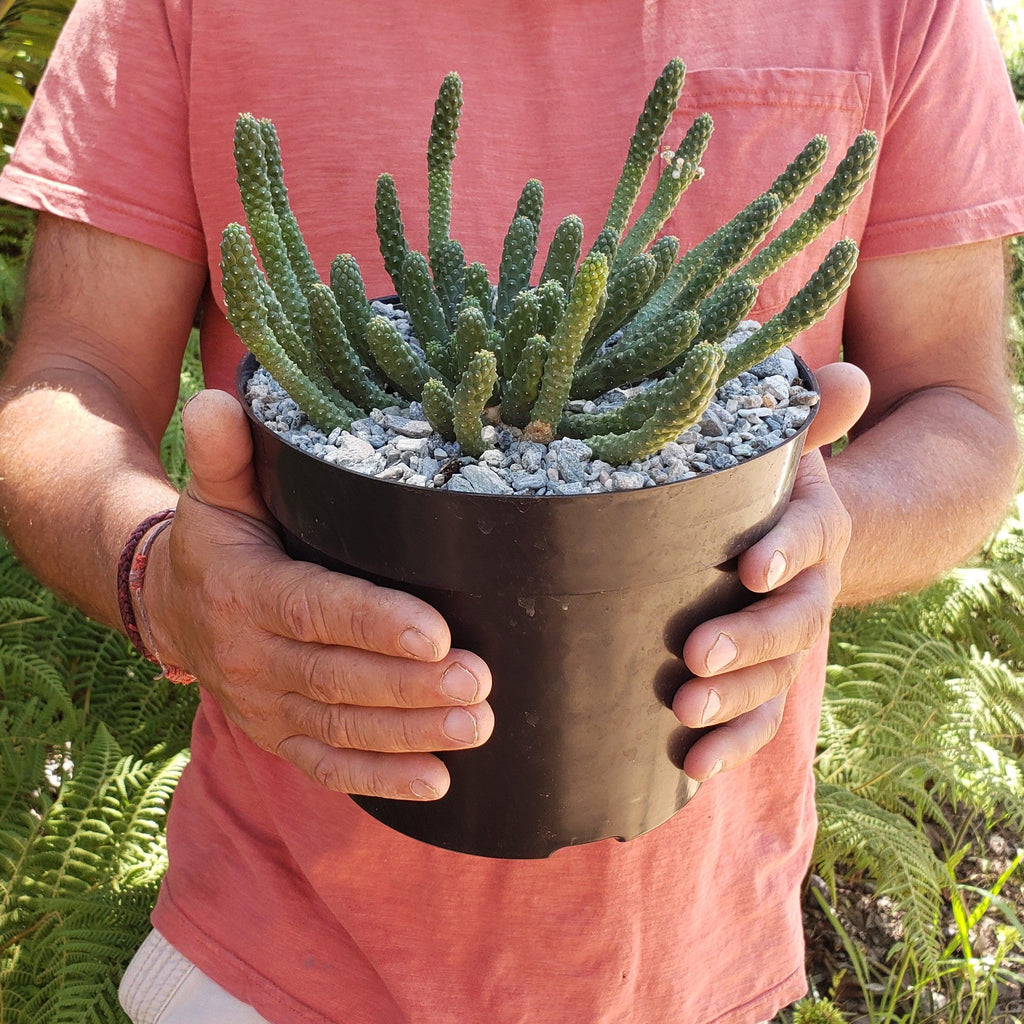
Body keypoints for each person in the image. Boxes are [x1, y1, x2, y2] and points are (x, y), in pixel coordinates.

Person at [0, 0, 1022, 1021]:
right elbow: (67, 379)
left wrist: (822, 542)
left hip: (692, 964)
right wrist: (158, 580)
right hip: (268, 958)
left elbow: (960, 411)